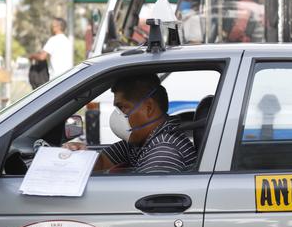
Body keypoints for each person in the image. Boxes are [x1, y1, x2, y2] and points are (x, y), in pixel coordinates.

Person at [64, 74, 196, 174]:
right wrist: (79, 154)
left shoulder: (165, 150)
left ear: (149, 108)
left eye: (123, 107)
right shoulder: (139, 142)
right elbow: (103, 163)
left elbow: (139, 199)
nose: (117, 115)